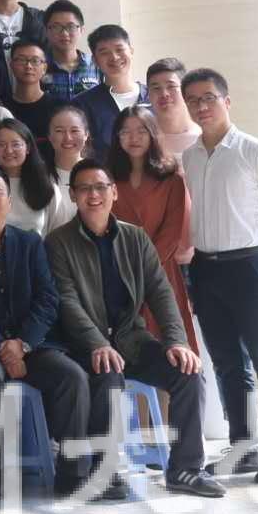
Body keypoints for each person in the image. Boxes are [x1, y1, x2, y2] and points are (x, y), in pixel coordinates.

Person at [46, 161, 227, 498]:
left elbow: (161, 292)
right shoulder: (58, 242)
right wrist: (97, 343)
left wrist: (176, 341)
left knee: (188, 373)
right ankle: (103, 472)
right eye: (84, 188)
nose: (93, 195)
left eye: (100, 187)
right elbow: (67, 301)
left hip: (131, 340)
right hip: (84, 346)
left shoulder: (135, 237)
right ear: (73, 195)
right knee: (107, 376)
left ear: (113, 192)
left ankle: (186, 469)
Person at [0, 168, 106, 501]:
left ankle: (72, 472)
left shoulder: (31, 243)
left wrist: (23, 344)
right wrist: (2, 347)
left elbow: (48, 299)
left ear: (9, 201)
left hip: (33, 344)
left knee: (72, 376)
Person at [178, 68, 258, 484]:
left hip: (251, 266)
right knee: (229, 364)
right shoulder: (190, 157)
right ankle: (245, 448)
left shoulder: (255, 151)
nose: (201, 106)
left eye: (208, 98)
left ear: (226, 101)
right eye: (193, 100)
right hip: (206, 270)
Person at [108, 105, 196, 353]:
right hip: (118, 271)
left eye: (141, 131)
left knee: (170, 347)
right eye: (125, 132)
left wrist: (144, 267)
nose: (133, 138)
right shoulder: (108, 178)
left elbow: (172, 232)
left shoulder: (172, 178)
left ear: (153, 134)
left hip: (160, 272)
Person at [0, 119, 75, 235]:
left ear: (27, 148)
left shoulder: (46, 188)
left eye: (16, 144)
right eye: (1, 144)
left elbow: (59, 235)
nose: (9, 150)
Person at [72, 24, 145, 149]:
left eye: (119, 49)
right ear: (94, 60)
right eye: (104, 53)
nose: (114, 57)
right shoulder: (82, 104)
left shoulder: (153, 96)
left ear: (131, 51)